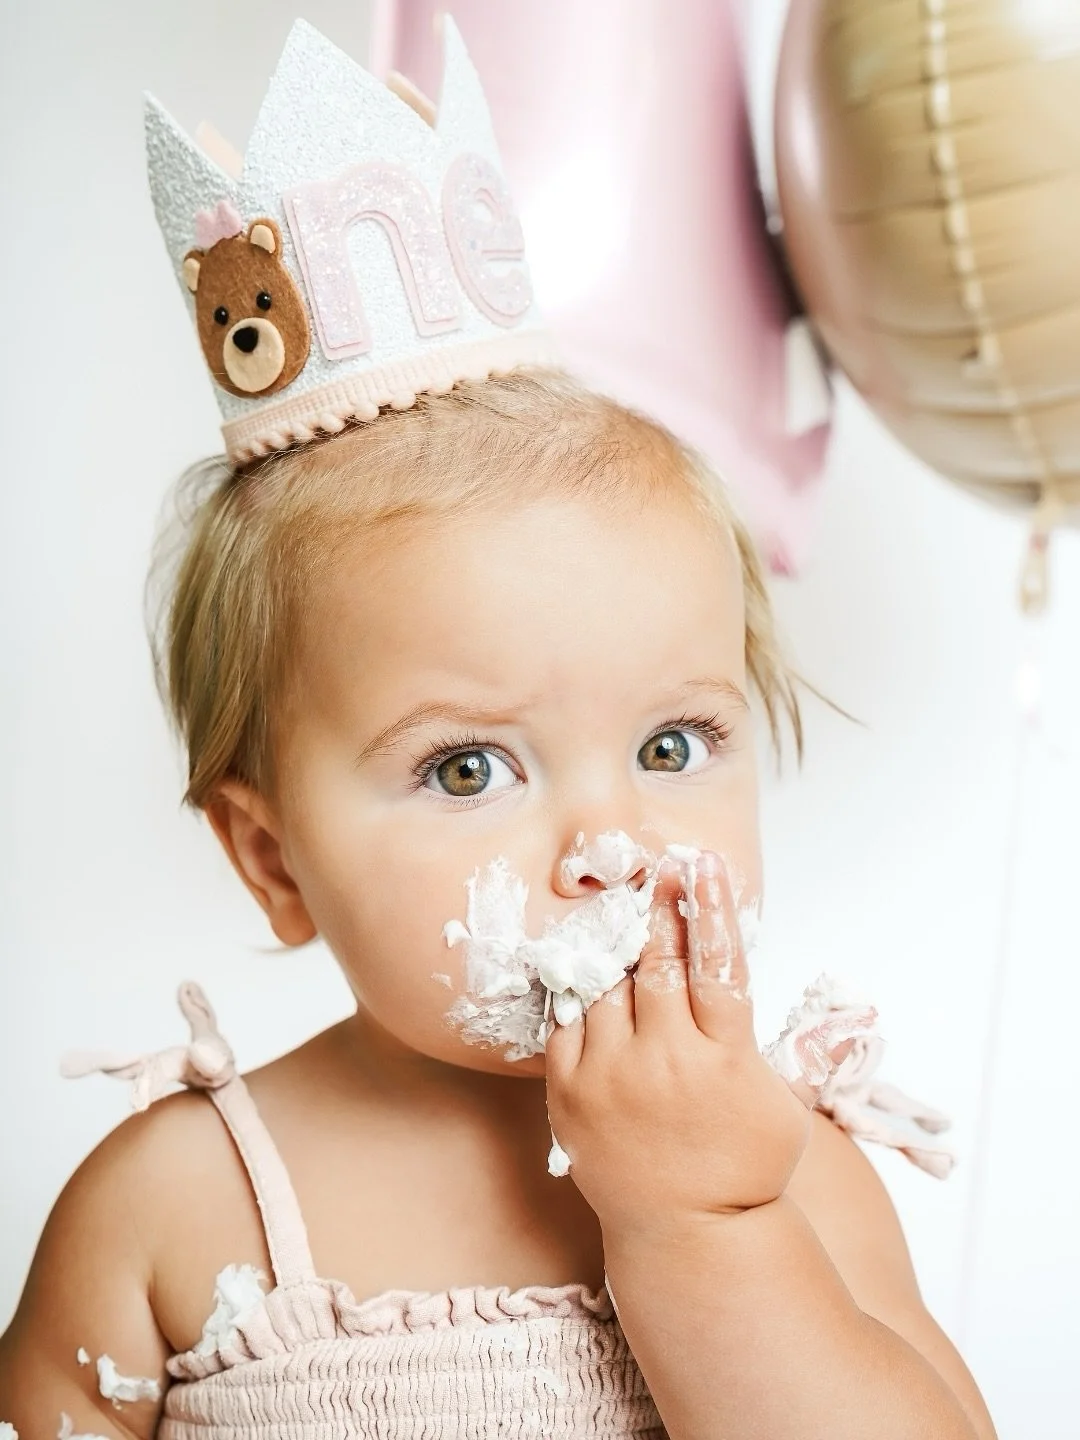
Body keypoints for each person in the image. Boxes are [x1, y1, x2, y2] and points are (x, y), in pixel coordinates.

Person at [0, 17, 995, 1440]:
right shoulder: (172, 1207)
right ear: (273, 861)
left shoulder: (790, 1174)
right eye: (467, 767)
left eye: (672, 747)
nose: (607, 845)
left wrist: (698, 1224)